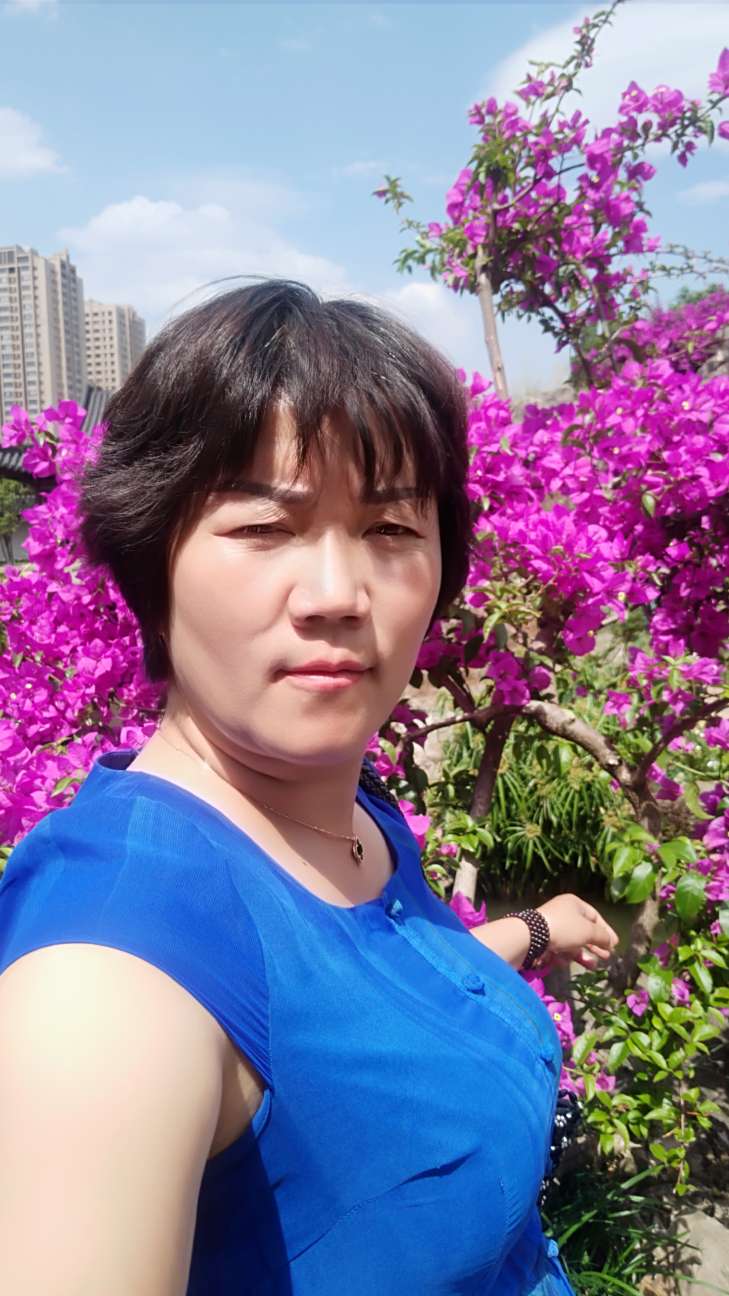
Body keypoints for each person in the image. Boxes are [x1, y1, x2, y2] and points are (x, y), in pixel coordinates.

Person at [0, 280, 618, 1295]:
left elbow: (350, 1013)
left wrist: (534, 929)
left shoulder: (348, 814)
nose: (337, 595)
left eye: (390, 529)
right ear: (152, 566)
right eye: (263, 527)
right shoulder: (104, 972)